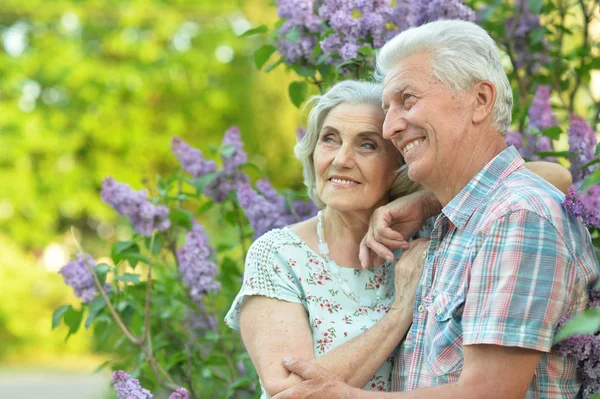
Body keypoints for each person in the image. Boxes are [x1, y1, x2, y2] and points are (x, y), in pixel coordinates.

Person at [271, 20, 600, 399]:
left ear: (480, 100)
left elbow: (488, 394)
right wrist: (424, 200)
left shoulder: (517, 217)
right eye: (387, 108)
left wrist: (341, 395)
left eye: (407, 100)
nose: (391, 126)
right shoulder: (452, 223)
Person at [225, 78, 573, 397]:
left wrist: (424, 203)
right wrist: (402, 310)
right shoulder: (279, 255)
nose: (341, 159)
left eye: (367, 145)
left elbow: (554, 177)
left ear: (402, 161)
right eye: (329, 139)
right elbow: (288, 391)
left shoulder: (434, 229)